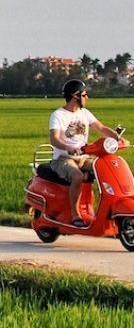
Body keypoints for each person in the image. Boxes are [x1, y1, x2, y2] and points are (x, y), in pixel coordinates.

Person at [49, 79, 121, 227]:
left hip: (83, 157)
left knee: (105, 170)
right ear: (75, 96)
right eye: (84, 94)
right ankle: (76, 215)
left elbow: (101, 127)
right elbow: (54, 139)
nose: (87, 98)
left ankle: (107, 212)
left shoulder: (85, 113)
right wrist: (68, 147)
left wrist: (116, 136)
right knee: (78, 176)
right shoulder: (58, 115)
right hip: (63, 159)